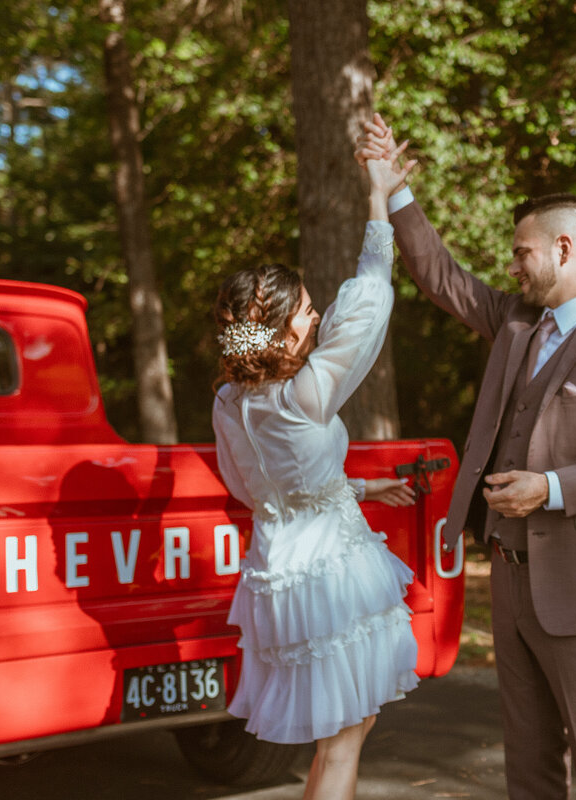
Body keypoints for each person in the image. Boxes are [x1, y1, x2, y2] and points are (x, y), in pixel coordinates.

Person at [358, 115, 576, 800]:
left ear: (565, 249)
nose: (512, 265)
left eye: (521, 253)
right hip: (509, 581)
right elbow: (441, 276)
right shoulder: (514, 322)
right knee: (528, 767)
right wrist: (394, 191)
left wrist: (553, 487)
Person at [211, 145, 418, 800]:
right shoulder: (306, 395)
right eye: (304, 309)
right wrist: (374, 198)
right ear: (281, 331)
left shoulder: (230, 402)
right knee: (345, 737)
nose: (316, 314)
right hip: (333, 573)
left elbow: (259, 491)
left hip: (281, 574)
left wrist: (358, 487)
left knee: (343, 735)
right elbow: (370, 298)